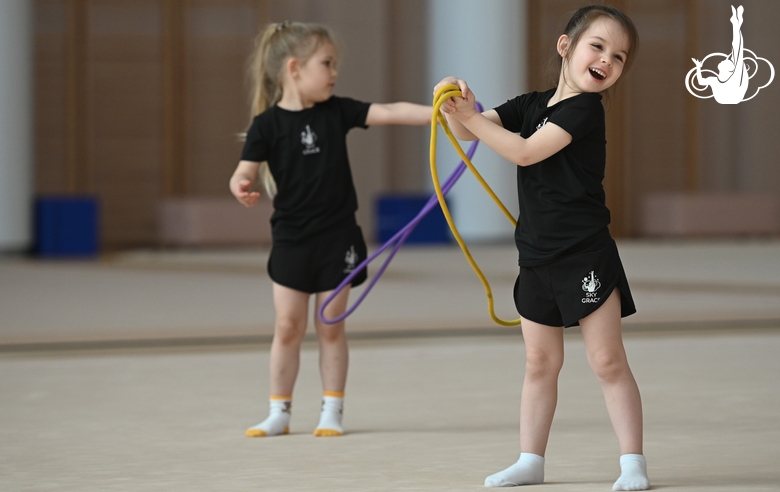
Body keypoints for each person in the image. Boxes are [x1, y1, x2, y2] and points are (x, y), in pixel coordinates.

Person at [434, 5, 649, 491]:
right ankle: (531, 459)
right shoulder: (532, 104)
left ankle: (632, 462)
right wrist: (456, 104)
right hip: (535, 256)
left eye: (618, 57)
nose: (607, 60)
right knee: (539, 363)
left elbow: (523, 151)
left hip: (584, 255)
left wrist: (472, 119)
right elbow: (468, 131)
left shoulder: (584, 110)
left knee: (607, 361)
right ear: (566, 46)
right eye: (598, 46)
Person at [230, 21, 431, 438]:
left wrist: (441, 114)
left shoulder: (337, 111)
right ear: (294, 68)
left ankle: (331, 410)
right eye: (327, 63)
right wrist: (241, 185)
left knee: (330, 325)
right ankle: (278, 412)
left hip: (337, 237)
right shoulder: (266, 125)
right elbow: (243, 170)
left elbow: (390, 111)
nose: (334, 71)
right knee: (287, 325)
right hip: (291, 239)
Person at [692, 5, 748, 104]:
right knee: (737, 51)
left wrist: (698, 67)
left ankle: (736, 23)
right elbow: (701, 82)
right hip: (729, 97)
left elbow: (737, 49)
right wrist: (698, 67)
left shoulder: (732, 78)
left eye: (727, 61)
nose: (725, 59)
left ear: (729, 69)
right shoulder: (715, 80)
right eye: (729, 60)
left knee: (737, 50)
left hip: (732, 97)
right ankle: (736, 23)